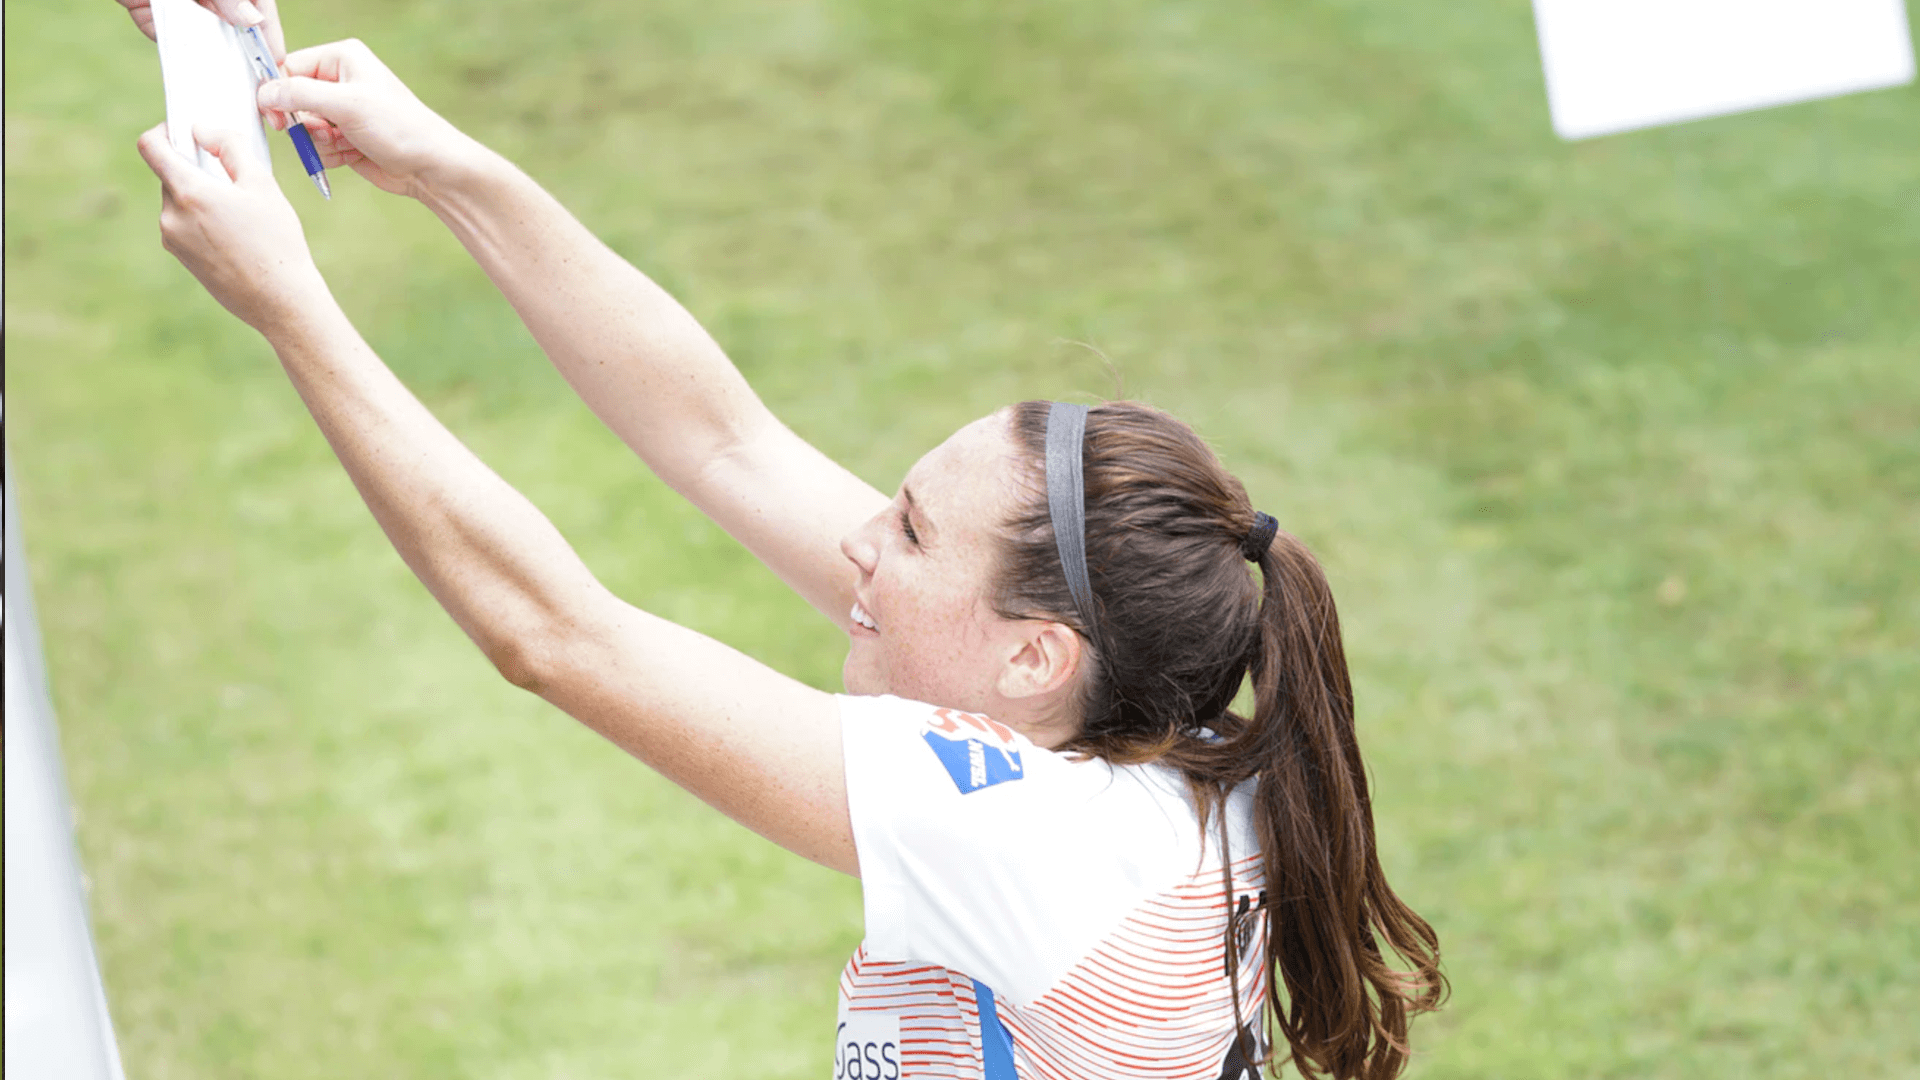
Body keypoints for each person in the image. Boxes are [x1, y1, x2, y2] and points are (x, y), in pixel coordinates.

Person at [129, 23, 1445, 1079]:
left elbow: (556, 636)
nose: (861, 538)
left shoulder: (1025, 831)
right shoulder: (1147, 743)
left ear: (1037, 652)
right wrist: (443, 167)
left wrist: (292, 308)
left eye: (912, 530)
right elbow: (724, 441)